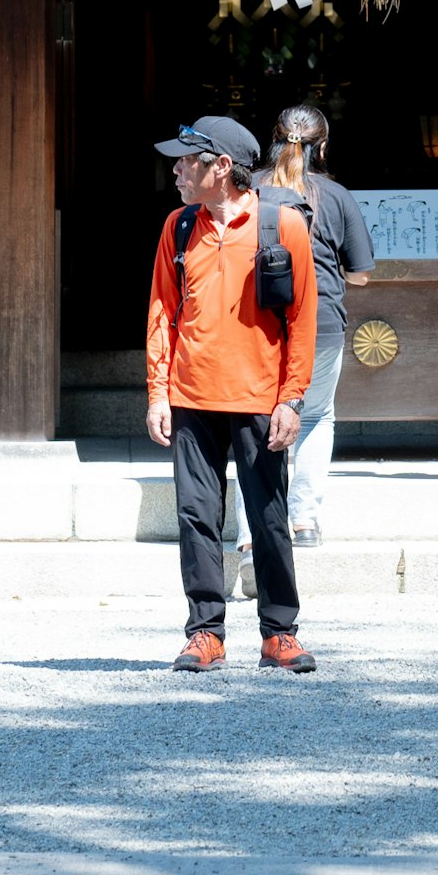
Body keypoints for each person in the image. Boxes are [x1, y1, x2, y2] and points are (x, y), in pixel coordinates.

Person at [143, 113, 319, 675]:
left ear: (220, 168)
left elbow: (303, 317)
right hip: (192, 395)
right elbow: (162, 313)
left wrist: (291, 398)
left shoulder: (282, 226)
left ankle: (279, 633)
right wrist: (157, 392)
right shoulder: (176, 227)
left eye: (186, 161)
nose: (176, 170)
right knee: (196, 517)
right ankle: (205, 633)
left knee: (268, 517)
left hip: (259, 398)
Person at [256, 104, 373, 547]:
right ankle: (304, 522)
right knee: (316, 415)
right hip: (321, 324)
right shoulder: (335, 195)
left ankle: (252, 535)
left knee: (257, 423)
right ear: (323, 146)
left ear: (274, 139)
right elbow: (360, 272)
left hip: (260, 326)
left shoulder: (251, 190)